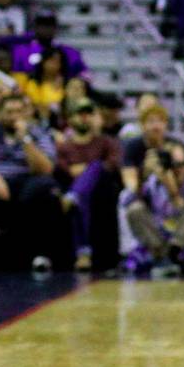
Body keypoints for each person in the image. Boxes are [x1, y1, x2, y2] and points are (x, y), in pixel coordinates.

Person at [0, 94, 69, 271]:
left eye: (19, 111)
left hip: (27, 183)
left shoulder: (37, 132)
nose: (14, 116)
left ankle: (41, 254)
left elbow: (46, 168)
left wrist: (25, 140)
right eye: (9, 112)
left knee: (45, 186)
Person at [122, 141, 184, 275]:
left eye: (182, 164)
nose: (179, 169)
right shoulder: (154, 183)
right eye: (174, 165)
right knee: (135, 209)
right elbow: (126, 202)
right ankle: (165, 256)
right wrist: (143, 175)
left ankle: (172, 254)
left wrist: (172, 190)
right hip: (157, 242)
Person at [55, 97, 123, 272]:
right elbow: (64, 170)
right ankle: (76, 195)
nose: (85, 117)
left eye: (89, 113)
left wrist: (85, 170)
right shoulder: (64, 146)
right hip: (71, 186)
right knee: (84, 188)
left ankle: (83, 250)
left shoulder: (106, 142)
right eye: (80, 114)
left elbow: (112, 165)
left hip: (101, 190)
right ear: (70, 119)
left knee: (96, 167)